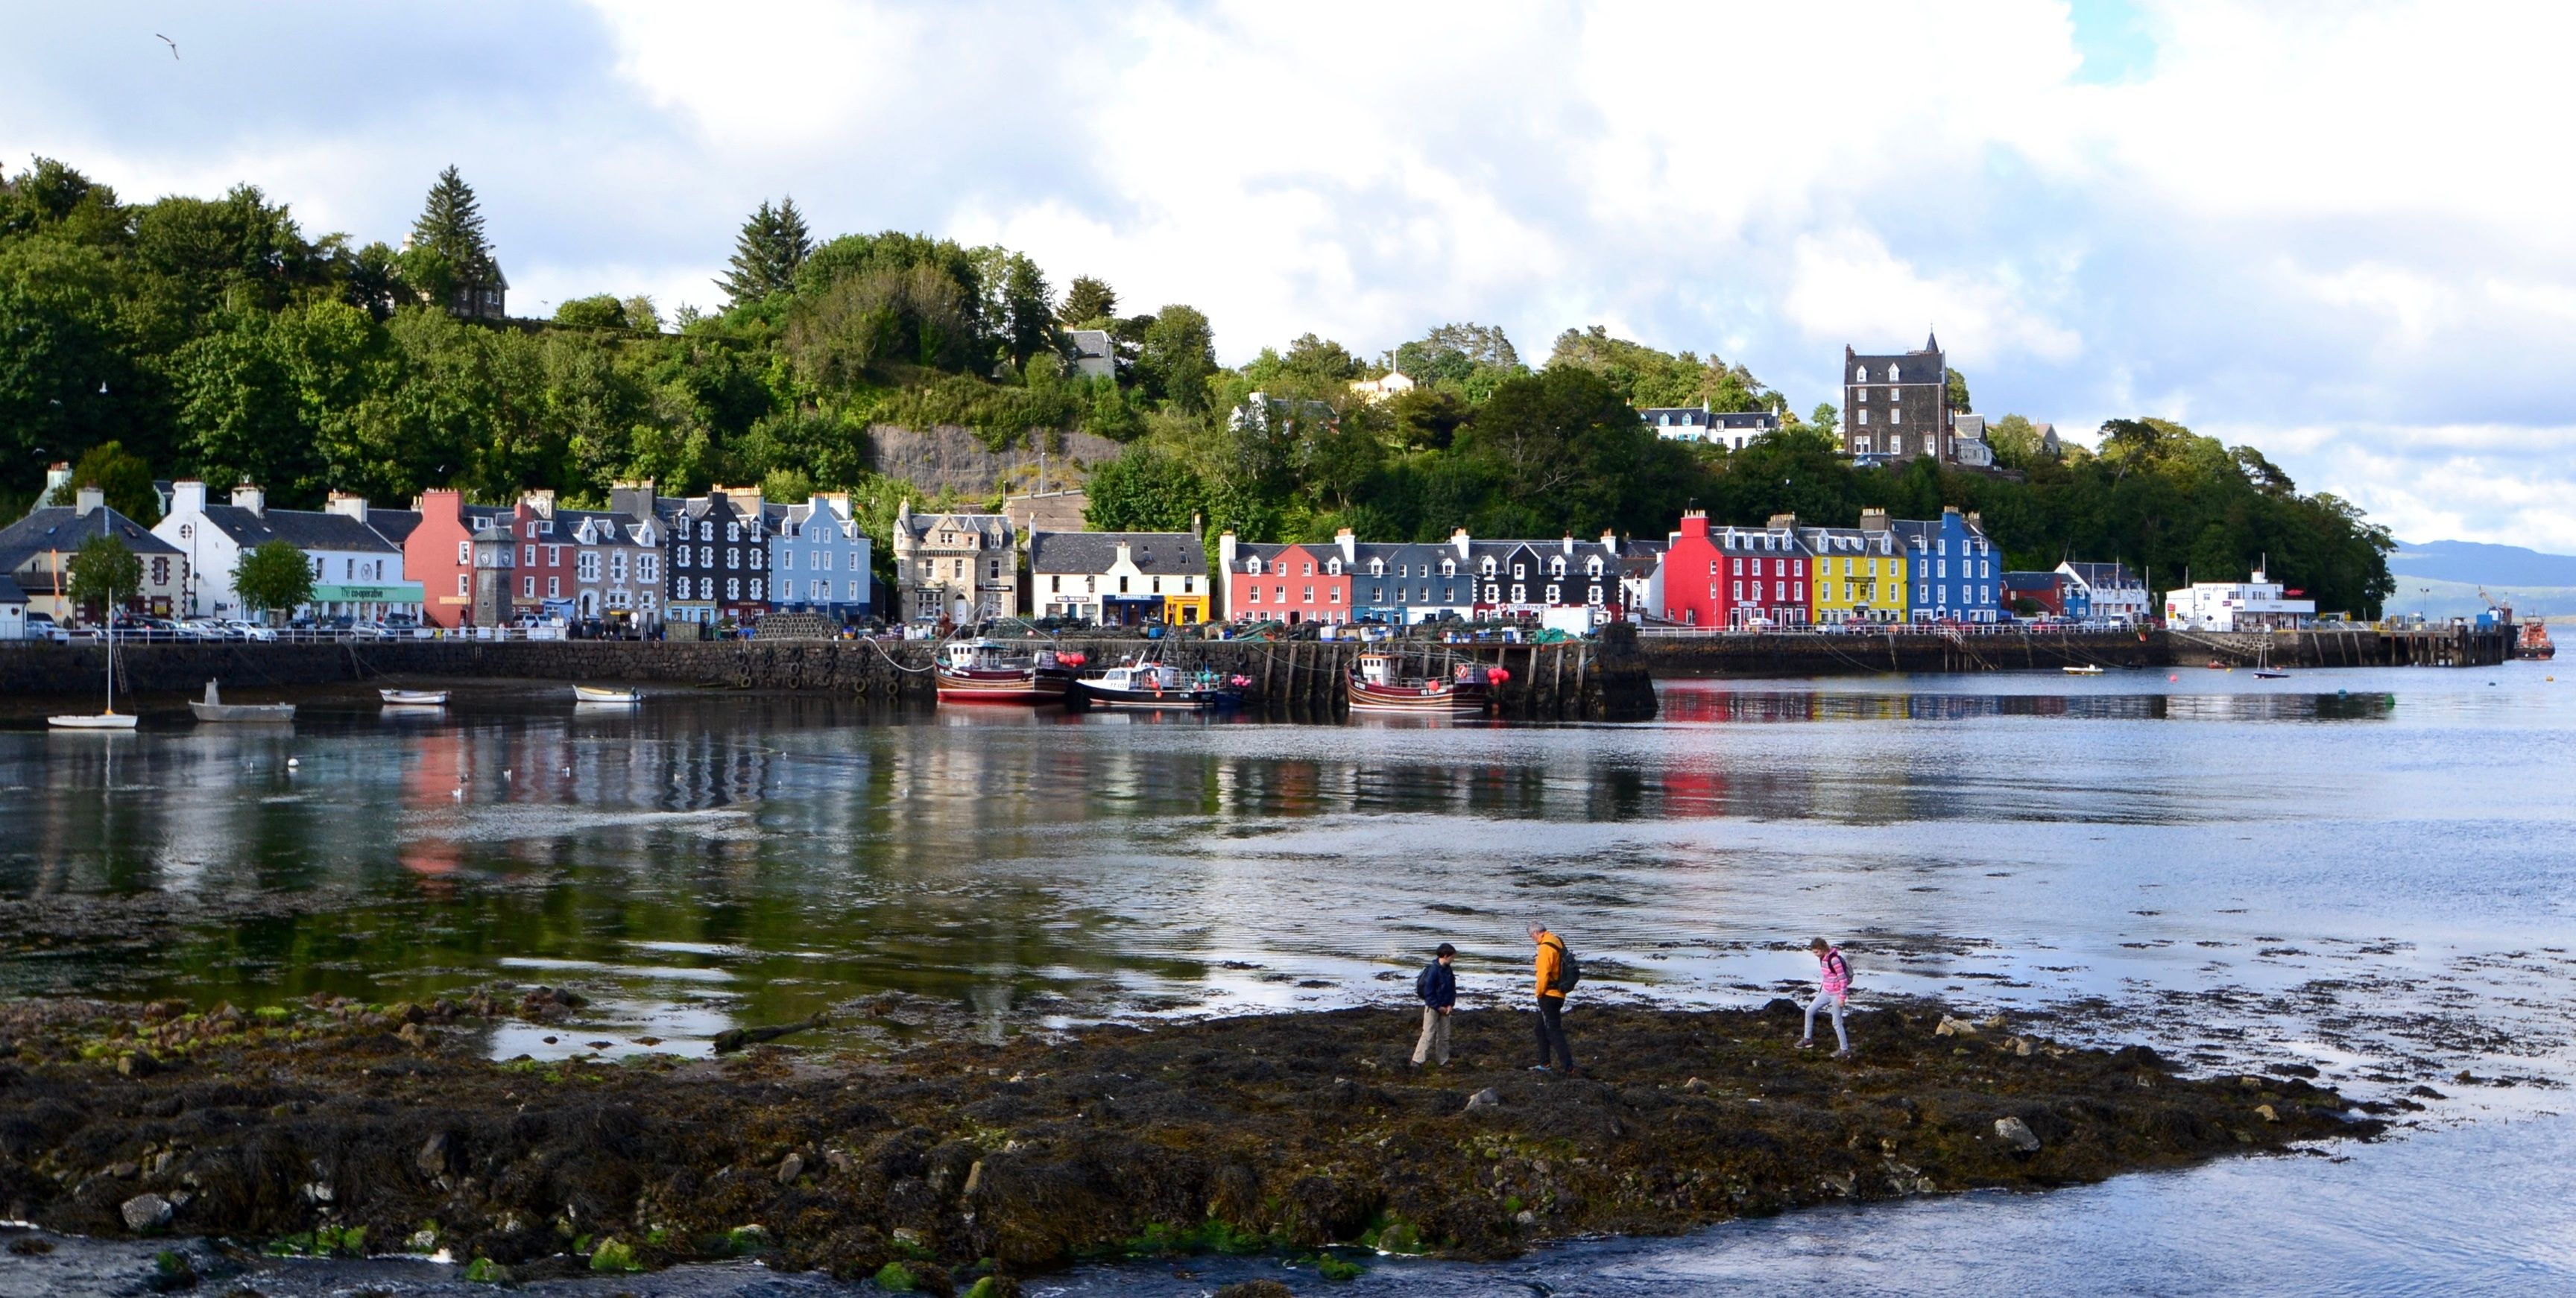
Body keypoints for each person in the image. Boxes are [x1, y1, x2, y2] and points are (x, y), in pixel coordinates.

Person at [1530, 922, 1574, 1074]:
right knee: (1540, 1029)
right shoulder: (1557, 940)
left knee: (1553, 1031)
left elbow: (1543, 974)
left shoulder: (1545, 948)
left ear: (1537, 933)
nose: (1533, 939)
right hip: (1559, 993)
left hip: (1549, 995)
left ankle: (1569, 1067)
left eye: (1532, 936)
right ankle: (1545, 1064)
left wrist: (1539, 993)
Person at [1797, 937, 1853, 1058]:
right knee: (1809, 1010)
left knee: (1836, 1022)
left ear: (1822, 948)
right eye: (1813, 952)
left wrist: (1842, 998)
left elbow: (1843, 980)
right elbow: (1827, 977)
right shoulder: (1822, 958)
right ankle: (1807, 1040)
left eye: (1816, 952)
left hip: (1837, 994)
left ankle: (1844, 1050)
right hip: (1826, 992)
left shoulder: (1834, 960)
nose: (1815, 955)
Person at [1412, 943, 1458, 1067]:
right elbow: (1429, 992)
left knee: (1444, 1036)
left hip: (1446, 1008)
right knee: (1428, 1034)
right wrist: (1438, 1007)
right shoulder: (1433, 971)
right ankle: (1417, 1060)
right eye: (1452, 957)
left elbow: (1452, 989)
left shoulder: (1449, 970)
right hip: (1432, 1008)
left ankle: (1443, 1061)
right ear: (1445, 955)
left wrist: (1450, 1005)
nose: (1453, 959)